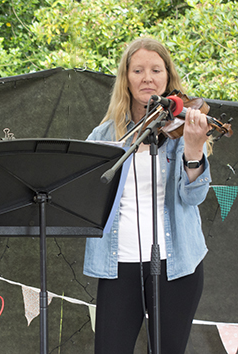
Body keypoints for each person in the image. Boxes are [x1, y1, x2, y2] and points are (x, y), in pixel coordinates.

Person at [84, 37, 212, 353]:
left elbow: (193, 197)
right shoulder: (104, 136)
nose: (147, 78)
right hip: (118, 262)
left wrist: (194, 149)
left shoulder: (183, 129)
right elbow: (89, 195)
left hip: (176, 262)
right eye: (138, 70)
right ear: (126, 78)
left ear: (167, 76)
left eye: (156, 70)